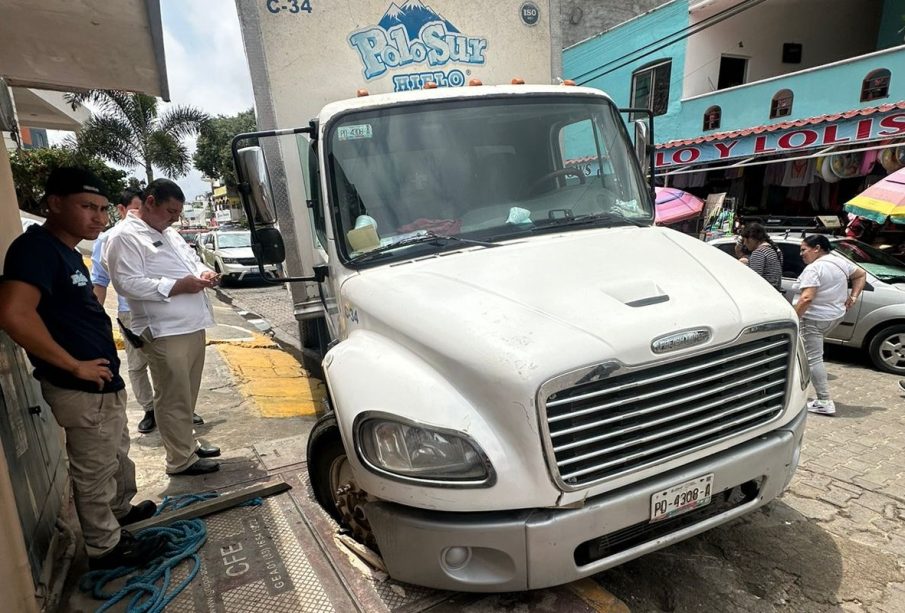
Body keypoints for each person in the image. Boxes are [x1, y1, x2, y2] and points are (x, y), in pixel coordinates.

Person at [0, 167, 163, 569]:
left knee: (113, 457)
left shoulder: (68, 251)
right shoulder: (35, 249)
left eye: (104, 209)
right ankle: (106, 548)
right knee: (93, 469)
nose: (98, 217)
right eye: (87, 207)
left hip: (101, 383)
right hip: (80, 386)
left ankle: (118, 515)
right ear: (54, 204)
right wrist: (74, 366)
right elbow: (14, 313)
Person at [105, 179, 222, 476]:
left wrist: (203, 273)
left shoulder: (168, 233)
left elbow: (191, 261)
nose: (174, 219)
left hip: (192, 325)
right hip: (164, 331)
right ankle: (179, 460)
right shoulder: (124, 236)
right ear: (151, 201)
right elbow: (127, 283)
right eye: (170, 211)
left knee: (187, 394)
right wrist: (177, 286)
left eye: (178, 214)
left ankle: (187, 445)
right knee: (172, 396)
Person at [795, 235, 867, 416]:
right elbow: (860, 274)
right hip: (834, 316)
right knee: (806, 354)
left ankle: (824, 400)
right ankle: (797, 389)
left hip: (814, 318)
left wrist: (794, 318)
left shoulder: (815, 268)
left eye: (804, 249)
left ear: (817, 248)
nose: (801, 254)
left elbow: (806, 297)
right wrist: (854, 297)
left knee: (813, 358)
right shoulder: (839, 262)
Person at [741, 223, 784, 291]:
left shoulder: (759, 252)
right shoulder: (774, 250)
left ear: (751, 238)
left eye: (744, 240)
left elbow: (754, 280)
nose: (744, 243)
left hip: (764, 293)